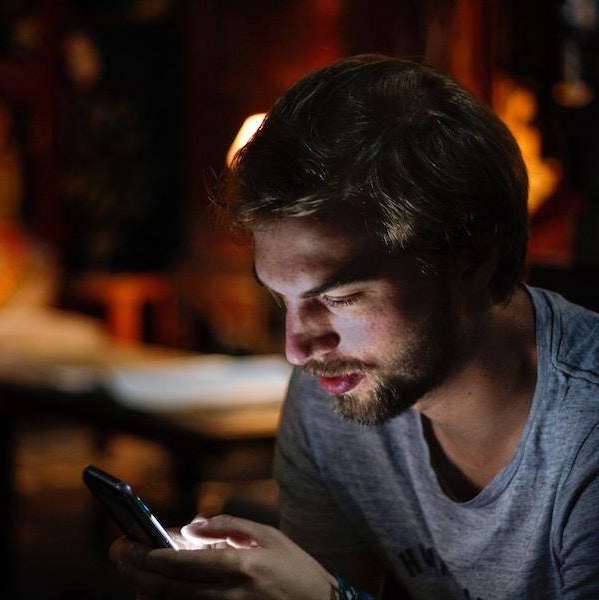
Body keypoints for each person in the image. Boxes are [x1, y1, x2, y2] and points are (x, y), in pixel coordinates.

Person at [109, 55, 599, 599]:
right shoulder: (336, 396)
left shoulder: (585, 430)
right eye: (281, 299)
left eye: (340, 298)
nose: (298, 349)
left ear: (472, 263)